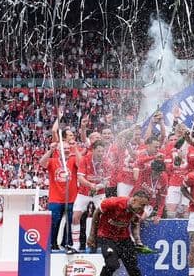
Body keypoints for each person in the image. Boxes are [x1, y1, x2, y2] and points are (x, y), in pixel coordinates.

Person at [39, 110, 82, 252]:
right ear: (59, 149)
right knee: (54, 223)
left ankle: (67, 244)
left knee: (71, 223)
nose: (67, 150)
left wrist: (74, 148)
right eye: (65, 148)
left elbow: (82, 164)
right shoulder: (53, 160)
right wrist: (51, 151)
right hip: (55, 198)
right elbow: (42, 163)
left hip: (71, 198)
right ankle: (51, 245)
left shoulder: (73, 159)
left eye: (68, 148)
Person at [86, 191, 151, 276]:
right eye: (142, 205)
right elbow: (96, 213)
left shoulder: (138, 209)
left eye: (145, 206)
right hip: (106, 237)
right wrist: (92, 236)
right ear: (134, 200)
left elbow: (135, 224)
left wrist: (138, 241)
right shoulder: (113, 202)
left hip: (124, 238)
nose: (143, 209)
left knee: (133, 267)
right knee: (112, 265)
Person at [72, 140, 108, 252]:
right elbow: (80, 178)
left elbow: (107, 182)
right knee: (75, 216)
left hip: (99, 193)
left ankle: (102, 243)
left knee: (104, 216)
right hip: (84, 192)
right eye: (99, 151)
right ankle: (76, 245)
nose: (101, 153)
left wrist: (98, 186)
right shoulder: (85, 159)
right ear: (93, 150)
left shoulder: (106, 161)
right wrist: (90, 185)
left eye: (102, 151)